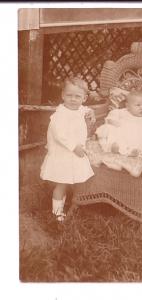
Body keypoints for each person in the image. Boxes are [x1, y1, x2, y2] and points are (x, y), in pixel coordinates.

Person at [40, 77, 94, 221]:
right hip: (63, 153)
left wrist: (91, 112)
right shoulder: (60, 115)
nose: (73, 99)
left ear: (84, 98)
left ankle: (74, 201)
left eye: (78, 96)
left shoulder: (80, 109)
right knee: (62, 183)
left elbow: (85, 109)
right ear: (63, 95)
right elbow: (60, 135)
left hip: (74, 152)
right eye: (69, 95)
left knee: (73, 177)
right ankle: (57, 212)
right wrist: (74, 147)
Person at [95, 90, 142, 177]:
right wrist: (114, 122)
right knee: (109, 129)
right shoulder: (122, 112)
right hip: (122, 138)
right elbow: (111, 118)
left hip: (137, 140)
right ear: (127, 106)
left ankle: (133, 152)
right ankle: (113, 147)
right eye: (138, 105)